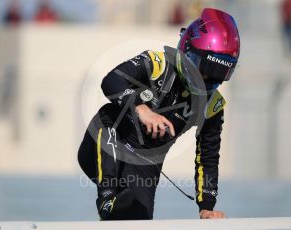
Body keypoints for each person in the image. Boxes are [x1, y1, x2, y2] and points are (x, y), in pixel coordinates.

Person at [78, 8, 240, 220]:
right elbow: (111, 80)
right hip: (104, 143)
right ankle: (107, 198)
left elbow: (208, 157)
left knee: (134, 217)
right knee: (108, 116)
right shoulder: (158, 63)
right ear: (187, 49)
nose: (206, 79)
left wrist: (207, 206)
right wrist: (141, 108)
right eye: (203, 68)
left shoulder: (213, 104)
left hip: (144, 165)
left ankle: (114, 206)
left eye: (217, 74)